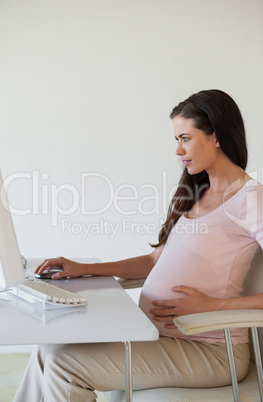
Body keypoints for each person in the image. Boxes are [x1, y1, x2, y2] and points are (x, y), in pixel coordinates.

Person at [14, 89, 263, 402]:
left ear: (216, 135)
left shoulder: (251, 199)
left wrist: (210, 306)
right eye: (176, 140)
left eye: (185, 138)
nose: (178, 150)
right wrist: (84, 269)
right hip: (160, 337)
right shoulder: (197, 192)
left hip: (210, 351)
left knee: (65, 365)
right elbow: (154, 261)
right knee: (48, 349)